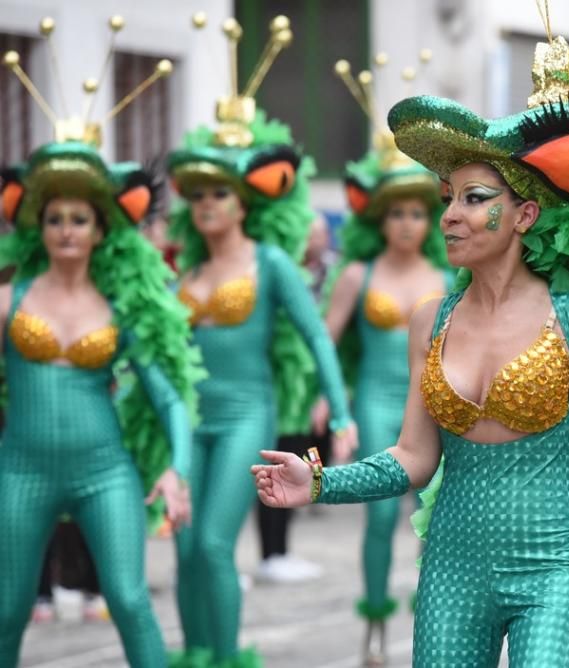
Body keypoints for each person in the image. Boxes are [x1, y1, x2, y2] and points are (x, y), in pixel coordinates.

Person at [254, 15, 569, 666]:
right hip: (451, 571)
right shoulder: (431, 319)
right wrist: (321, 483)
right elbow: (413, 459)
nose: (450, 215)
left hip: (553, 570)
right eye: (448, 197)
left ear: (525, 215)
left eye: (475, 199)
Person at [167, 16, 356, 666]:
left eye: (221, 191)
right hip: (191, 419)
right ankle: (193, 655)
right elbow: (161, 354)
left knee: (217, 546)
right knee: (186, 547)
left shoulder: (271, 264)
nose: (208, 203)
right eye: (198, 193)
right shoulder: (185, 274)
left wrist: (344, 410)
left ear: (245, 200)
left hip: (247, 412)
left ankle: (222, 657)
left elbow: (316, 337)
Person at [0, 137, 199, 668]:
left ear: (101, 229)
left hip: (104, 471)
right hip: (22, 471)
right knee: (8, 609)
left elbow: (169, 398)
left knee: (131, 601)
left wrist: (176, 470)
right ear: (38, 229)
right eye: (56, 218)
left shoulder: (120, 309)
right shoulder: (8, 300)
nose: (67, 229)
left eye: (80, 219)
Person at [320, 101, 451, 661]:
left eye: (415, 214)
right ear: (381, 220)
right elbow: (324, 337)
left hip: (435, 404)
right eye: (394, 214)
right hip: (375, 399)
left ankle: (436, 621)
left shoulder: (449, 276)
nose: (405, 224)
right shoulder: (357, 274)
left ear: (428, 219)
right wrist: (331, 402)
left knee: (436, 518)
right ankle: (375, 622)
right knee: (378, 513)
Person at [254, 214, 338, 585]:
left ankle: (281, 549)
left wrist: (329, 394)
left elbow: (325, 335)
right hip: (277, 384)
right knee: (277, 460)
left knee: (307, 457)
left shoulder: (330, 271)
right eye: (308, 232)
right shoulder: (274, 268)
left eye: (319, 234)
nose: (314, 240)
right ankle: (273, 553)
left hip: (305, 384)